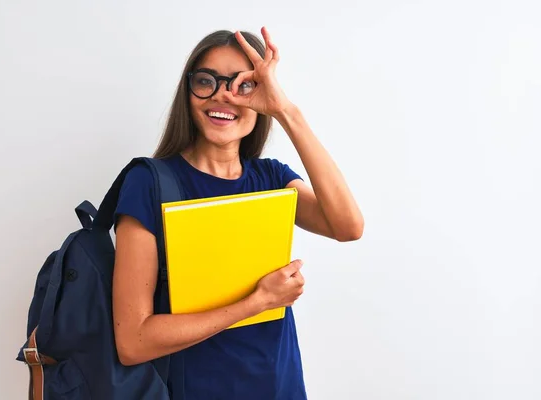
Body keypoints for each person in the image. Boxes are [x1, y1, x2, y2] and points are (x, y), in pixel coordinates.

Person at [111, 27, 364, 400]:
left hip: (279, 387)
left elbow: (348, 226)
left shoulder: (272, 178)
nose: (221, 96)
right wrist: (256, 303)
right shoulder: (149, 183)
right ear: (188, 90)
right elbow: (133, 341)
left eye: (242, 85)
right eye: (206, 81)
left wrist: (287, 111)